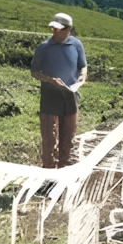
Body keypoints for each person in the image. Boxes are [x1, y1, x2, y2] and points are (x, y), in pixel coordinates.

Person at [31, 12, 87, 169]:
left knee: (68, 138)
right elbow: (34, 72)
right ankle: (48, 171)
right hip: (49, 99)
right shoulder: (43, 47)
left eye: (59, 29)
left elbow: (83, 65)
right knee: (49, 138)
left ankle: (64, 169)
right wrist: (49, 79)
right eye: (53, 29)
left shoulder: (76, 45)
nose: (55, 32)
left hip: (70, 97)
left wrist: (82, 77)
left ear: (68, 29)